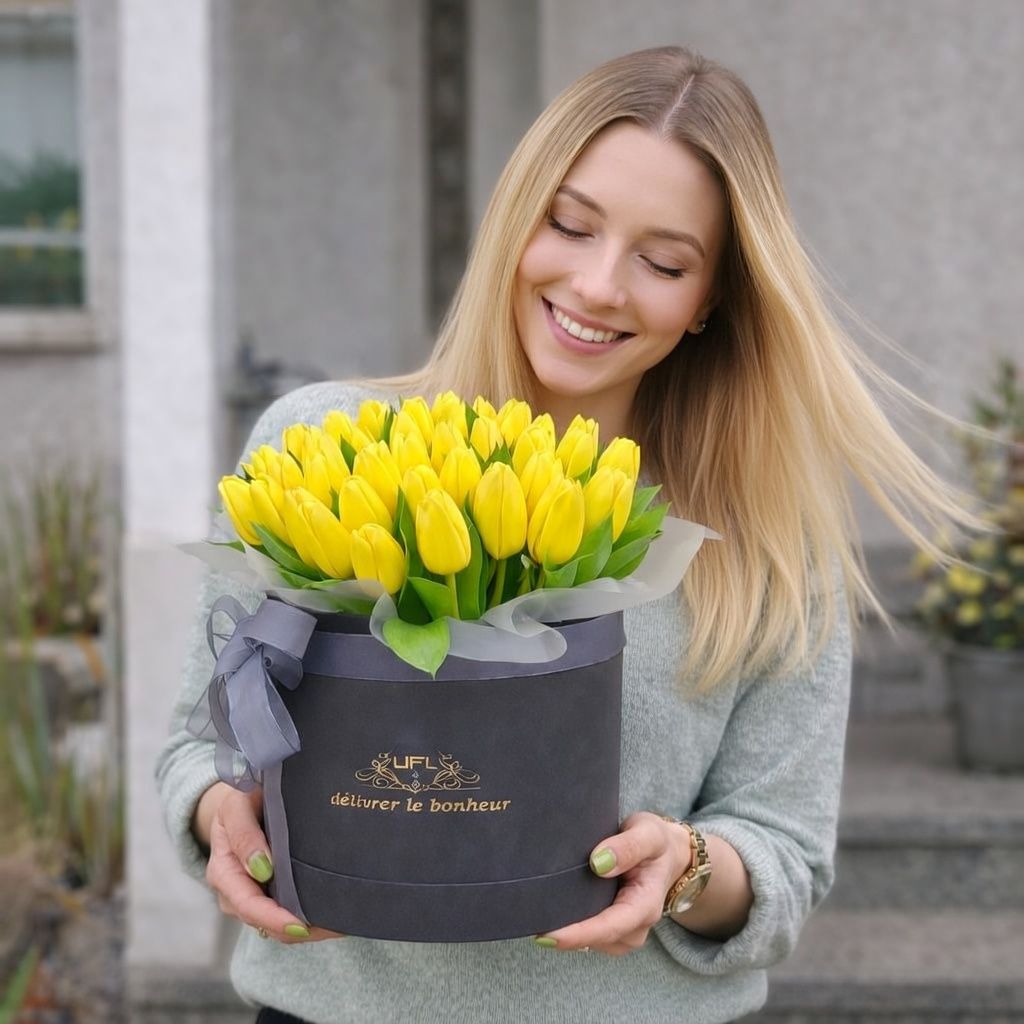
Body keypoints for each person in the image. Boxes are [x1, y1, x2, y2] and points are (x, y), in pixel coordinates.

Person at [157, 46, 973, 1023]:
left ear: (709, 299)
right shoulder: (319, 448)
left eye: (663, 262)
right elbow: (199, 746)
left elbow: (784, 856)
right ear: (515, 218)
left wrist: (685, 866)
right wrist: (221, 816)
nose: (597, 285)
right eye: (570, 225)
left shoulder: (766, 543)